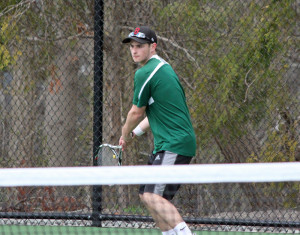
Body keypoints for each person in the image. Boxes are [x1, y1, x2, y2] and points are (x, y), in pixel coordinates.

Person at [119, 26, 196, 235]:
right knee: (147, 195)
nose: (134, 51)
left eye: (140, 46)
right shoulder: (163, 68)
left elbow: (136, 113)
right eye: (132, 46)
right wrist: (135, 134)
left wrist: (124, 134)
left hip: (174, 144)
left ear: (153, 47)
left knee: (155, 197)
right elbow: (155, 114)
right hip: (171, 144)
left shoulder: (145, 72)